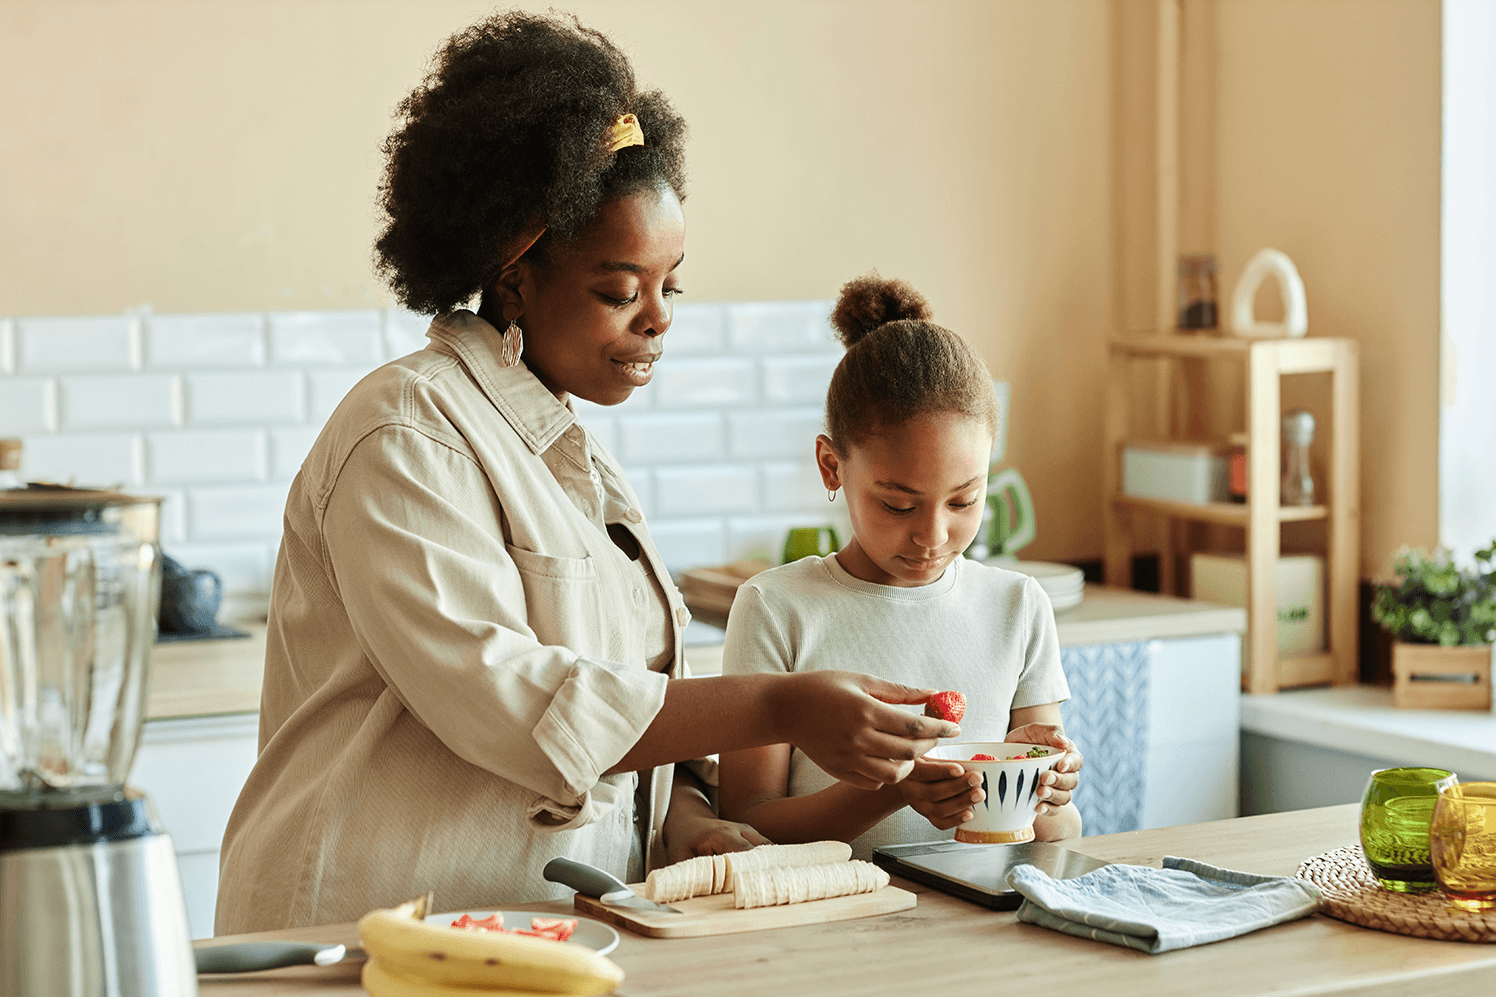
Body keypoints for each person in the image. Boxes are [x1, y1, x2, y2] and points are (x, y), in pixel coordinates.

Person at [215, 12, 958, 934]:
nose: (658, 319)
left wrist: (684, 815)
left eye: (669, 286)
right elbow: (512, 699)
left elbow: (629, 688)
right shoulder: (406, 433)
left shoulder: (571, 455)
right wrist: (775, 701)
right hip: (362, 928)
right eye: (619, 290)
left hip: (526, 933)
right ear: (517, 275)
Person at [717, 274, 1085, 860]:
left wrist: (1049, 791)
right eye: (897, 504)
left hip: (977, 931)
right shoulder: (776, 607)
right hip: (832, 925)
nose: (933, 536)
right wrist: (892, 790)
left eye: (965, 501)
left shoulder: (1017, 606)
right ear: (831, 465)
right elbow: (747, 823)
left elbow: (1056, 834)